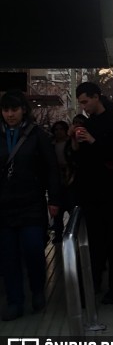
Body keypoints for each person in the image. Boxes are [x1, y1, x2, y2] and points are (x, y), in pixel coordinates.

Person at [70, 82, 113, 305]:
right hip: (92, 194)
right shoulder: (90, 123)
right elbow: (81, 162)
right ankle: (95, 283)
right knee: (95, 243)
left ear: (96, 97)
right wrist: (76, 142)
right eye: (81, 103)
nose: (84, 107)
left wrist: (93, 141)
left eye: (85, 102)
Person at [0, 89, 61, 320]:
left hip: (31, 204)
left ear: (23, 110)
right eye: (5, 110)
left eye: (14, 109)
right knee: (8, 256)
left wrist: (54, 200)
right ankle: (15, 301)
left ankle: (37, 289)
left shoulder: (37, 135)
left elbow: (51, 168)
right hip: (4, 206)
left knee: (33, 249)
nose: (10, 115)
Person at [50, 120, 73, 243]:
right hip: (56, 179)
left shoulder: (71, 143)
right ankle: (58, 234)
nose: (58, 132)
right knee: (57, 212)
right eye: (56, 129)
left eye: (61, 129)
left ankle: (71, 233)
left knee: (71, 207)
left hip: (70, 178)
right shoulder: (51, 144)